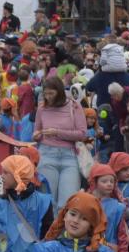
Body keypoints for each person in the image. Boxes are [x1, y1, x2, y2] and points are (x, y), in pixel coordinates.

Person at [32, 75, 88, 206]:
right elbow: (36, 132)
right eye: (45, 94)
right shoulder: (42, 108)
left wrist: (57, 132)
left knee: (67, 201)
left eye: (51, 93)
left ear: (60, 92)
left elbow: (82, 134)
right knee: (48, 201)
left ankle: (64, 226)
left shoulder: (74, 106)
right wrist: (36, 135)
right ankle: (50, 226)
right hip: (46, 154)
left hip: (69, 156)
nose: (48, 97)